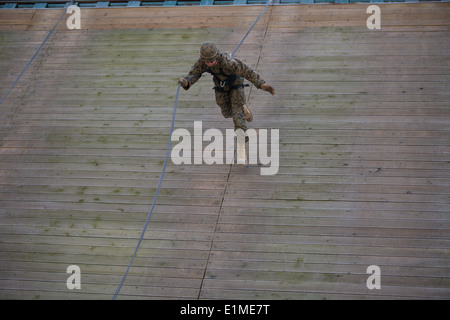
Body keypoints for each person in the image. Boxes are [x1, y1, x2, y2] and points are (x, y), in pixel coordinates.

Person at [179, 42, 275, 132]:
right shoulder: (203, 62)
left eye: (211, 61)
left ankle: (241, 133)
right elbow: (194, 73)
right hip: (220, 85)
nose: (208, 63)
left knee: (237, 109)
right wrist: (186, 82)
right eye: (206, 61)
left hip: (235, 83)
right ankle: (244, 109)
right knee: (226, 113)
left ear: (216, 57)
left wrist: (261, 84)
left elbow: (246, 71)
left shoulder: (228, 62)